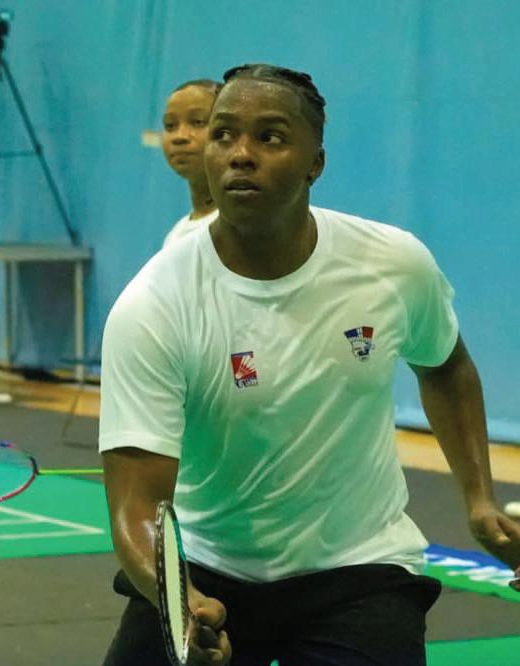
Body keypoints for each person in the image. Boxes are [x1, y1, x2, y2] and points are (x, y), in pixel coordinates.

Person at [99, 64, 520, 666]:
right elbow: (137, 506)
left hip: (359, 568)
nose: (240, 154)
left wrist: (479, 499)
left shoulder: (392, 264)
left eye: (269, 137)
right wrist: (179, 599)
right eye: (223, 135)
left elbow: (445, 367)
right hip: (208, 565)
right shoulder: (153, 304)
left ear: (315, 163)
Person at [160, 78, 222, 247]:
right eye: (170, 125)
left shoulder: (242, 228)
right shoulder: (176, 234)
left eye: (198, 122)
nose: (180, 136)